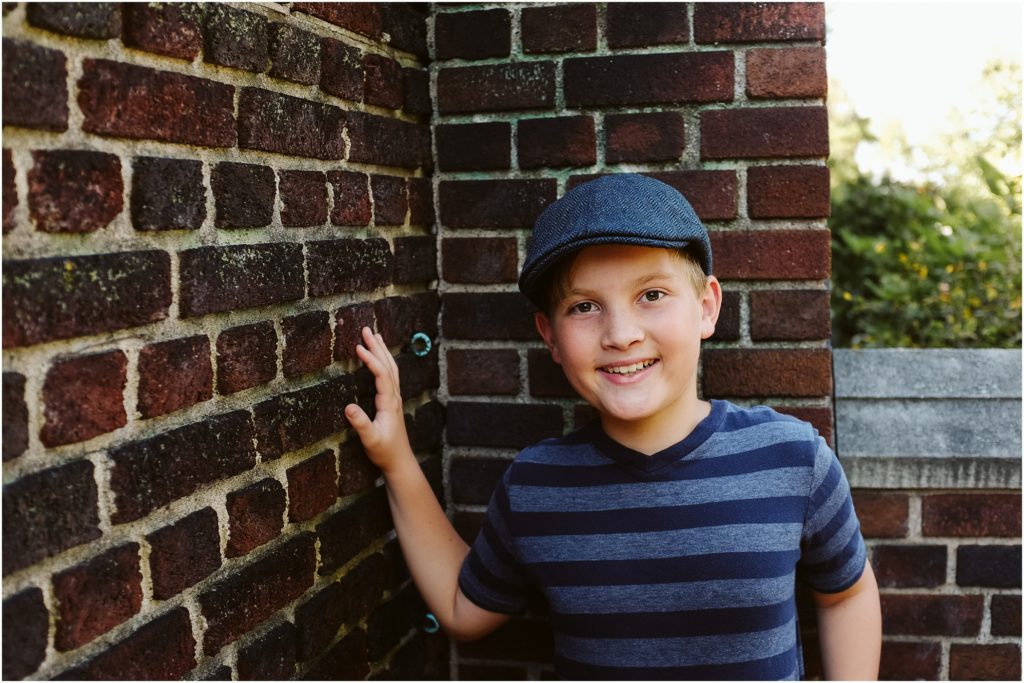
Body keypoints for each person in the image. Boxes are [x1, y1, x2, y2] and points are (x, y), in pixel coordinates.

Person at [345, 174, 881, 680]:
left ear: (706, 307)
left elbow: (846, 594)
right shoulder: (537, 486)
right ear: (549, 337)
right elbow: (465, 611)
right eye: (584, 306)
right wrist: (395, 458)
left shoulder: (792, 459)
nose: (620, 334)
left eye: (651, 295)